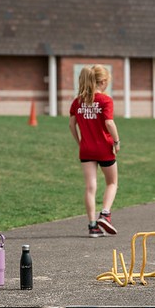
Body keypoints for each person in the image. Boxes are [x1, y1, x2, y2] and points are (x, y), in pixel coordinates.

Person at [69, 65, 121, 237]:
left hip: (86, 149)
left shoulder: (78, 101)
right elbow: (109, 123)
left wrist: (80, 142)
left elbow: (72, 124)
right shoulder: (105, 100)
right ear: (103, 82)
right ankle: (105, 214)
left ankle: (92, 226)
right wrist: (116, 141)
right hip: (104, 148)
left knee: (90, 187)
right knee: (112, 183)